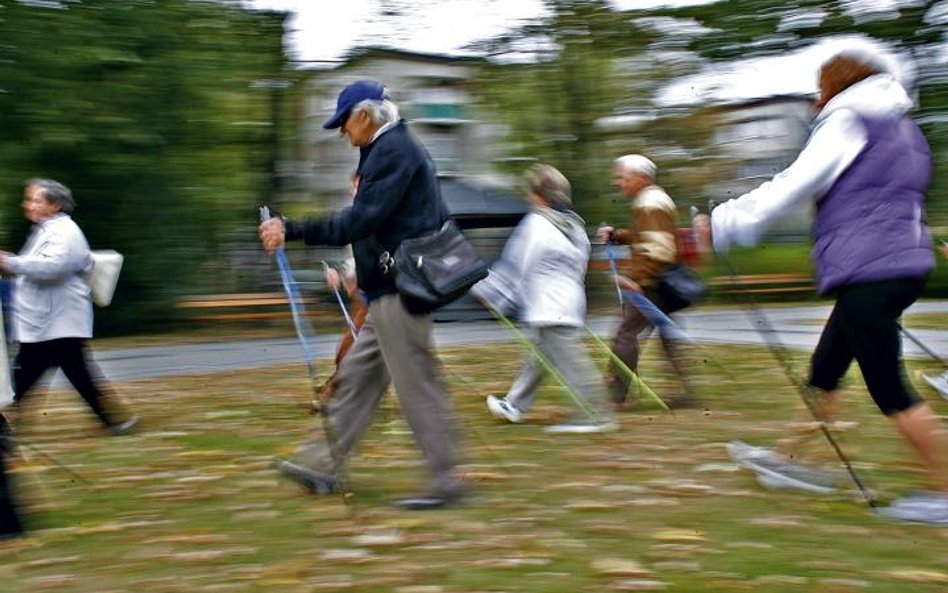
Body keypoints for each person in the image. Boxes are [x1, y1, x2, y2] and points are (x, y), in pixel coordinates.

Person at [695, 49, 948, 524]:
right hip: (898, 263)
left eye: (821, 85)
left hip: (872, 267)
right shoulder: (904, 129)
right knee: (826, 366)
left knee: (889, 387)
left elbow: (796, 181)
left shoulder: (850, 118)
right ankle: (789, 459)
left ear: (837, 83)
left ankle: (944, 494)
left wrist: (727, 219)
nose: (817, 96)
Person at [258, 80, 467, 510]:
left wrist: (293, 228)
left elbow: (361, 220)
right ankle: (321, 465)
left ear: (365, 116)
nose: (341, 133)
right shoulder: (389, 150)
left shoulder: (392, 151)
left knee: (418, 386)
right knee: (355, 380)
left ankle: (447, 480)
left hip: (401, 291)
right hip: (387, 291)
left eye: (343, 123)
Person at [474, 164, 617, 433]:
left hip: (548, 306)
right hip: (569, 301)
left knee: (571, 361)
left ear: (540, 195)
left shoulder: (536, 223)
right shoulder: (574, 224)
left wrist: (490, 292)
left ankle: (596, 416)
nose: (528, 198)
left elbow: (517, 263)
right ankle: (514, 405)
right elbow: (580, 264)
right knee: (539, 358)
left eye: (530, 192)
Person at [0, 179, 138, 436]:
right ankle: (113, 422)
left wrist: (11, 263)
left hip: (56, 323)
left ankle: (6, 430)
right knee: (70, 375)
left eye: (35, 200)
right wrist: (13, 264)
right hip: (51, 323)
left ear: (54, 205)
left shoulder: (66, 232)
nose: (27, 205)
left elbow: (53, 267)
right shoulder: (46, 230)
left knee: (27, 377)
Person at [597, 155, 693, 408]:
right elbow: (646, 238)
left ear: (641, 178)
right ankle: (684, 393)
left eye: (623, 178)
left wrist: (637, 279)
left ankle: (616, 396)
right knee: (666, 337)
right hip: (660, 281)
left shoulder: (650, 204)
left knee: (626, 334)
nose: (619, 183)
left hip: (651, 282)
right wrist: (618, 235)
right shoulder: (651, 200)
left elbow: (659, 249)